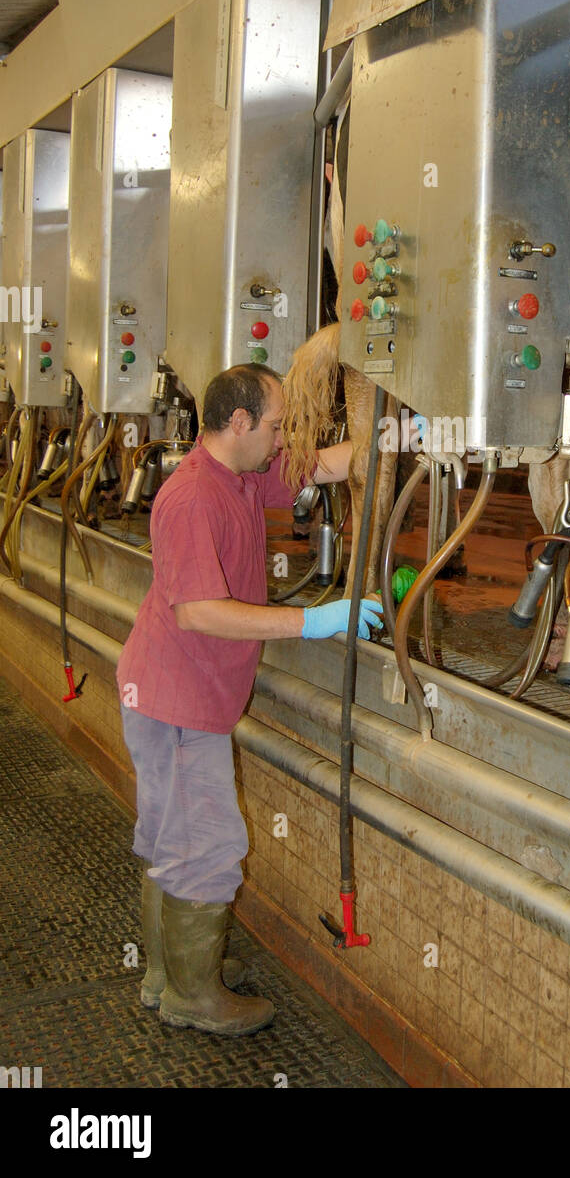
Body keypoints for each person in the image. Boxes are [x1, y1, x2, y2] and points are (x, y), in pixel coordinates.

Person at [116, 363, 382, 1037]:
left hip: (180, 696)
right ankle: (194, 998)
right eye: (275, 423)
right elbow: (200, 611)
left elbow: (322, 466)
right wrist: (311, 621)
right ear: (238, 424)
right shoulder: (192, 497)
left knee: (169, 839)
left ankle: (164, 976)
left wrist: (410, 432)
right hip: (177, 704)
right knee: (208, 846)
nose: (283, 435)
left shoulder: (239, 473)